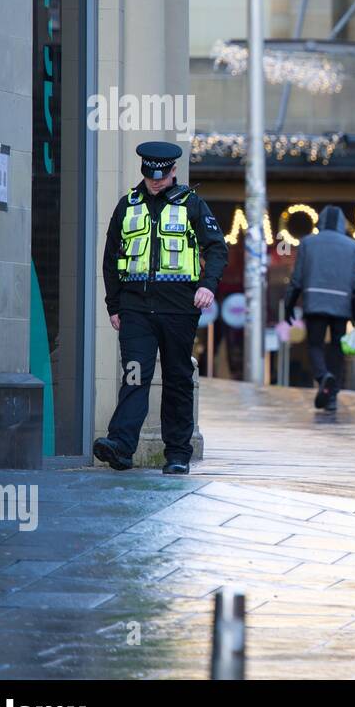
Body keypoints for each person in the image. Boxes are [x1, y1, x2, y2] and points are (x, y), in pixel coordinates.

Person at [93, 141, 228, 475]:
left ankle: (178, 453)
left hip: (179, 309)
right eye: (150, 174)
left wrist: (207, 286)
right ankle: (121, 447)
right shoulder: (128, 205)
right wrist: (114, 305)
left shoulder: (192, 205)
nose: (155, 181)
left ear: (173, 172)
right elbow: (111, 259)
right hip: (135, 309)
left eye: (162, 175)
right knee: (134, 376)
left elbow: (217, 249)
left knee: (178, 378)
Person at [283, 205, 355, 412]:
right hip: (342, 305)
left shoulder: (308, 243)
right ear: (342, 223)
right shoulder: (352, 246)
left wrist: (289, 304)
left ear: (319, 221)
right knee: (337, 349)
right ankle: (332, 397)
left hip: (314, 302)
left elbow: (297, 278)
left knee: (315, 345)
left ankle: (323, 376)